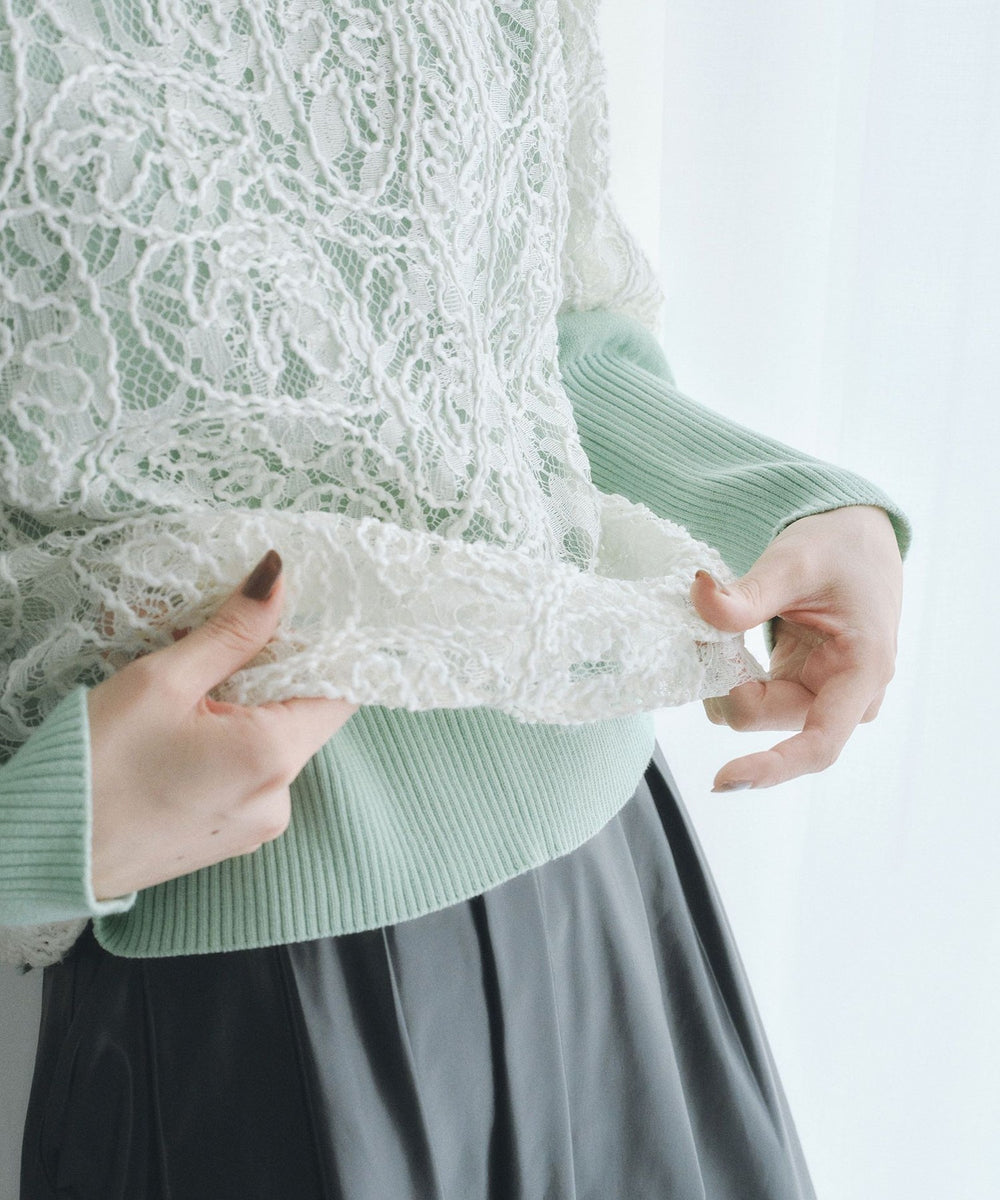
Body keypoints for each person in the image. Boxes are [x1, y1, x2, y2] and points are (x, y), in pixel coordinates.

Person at [0, 2, 908, 1197]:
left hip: (605, 860)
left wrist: (773, 507)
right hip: (244, 978)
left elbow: (515, 327)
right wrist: (31, 835)